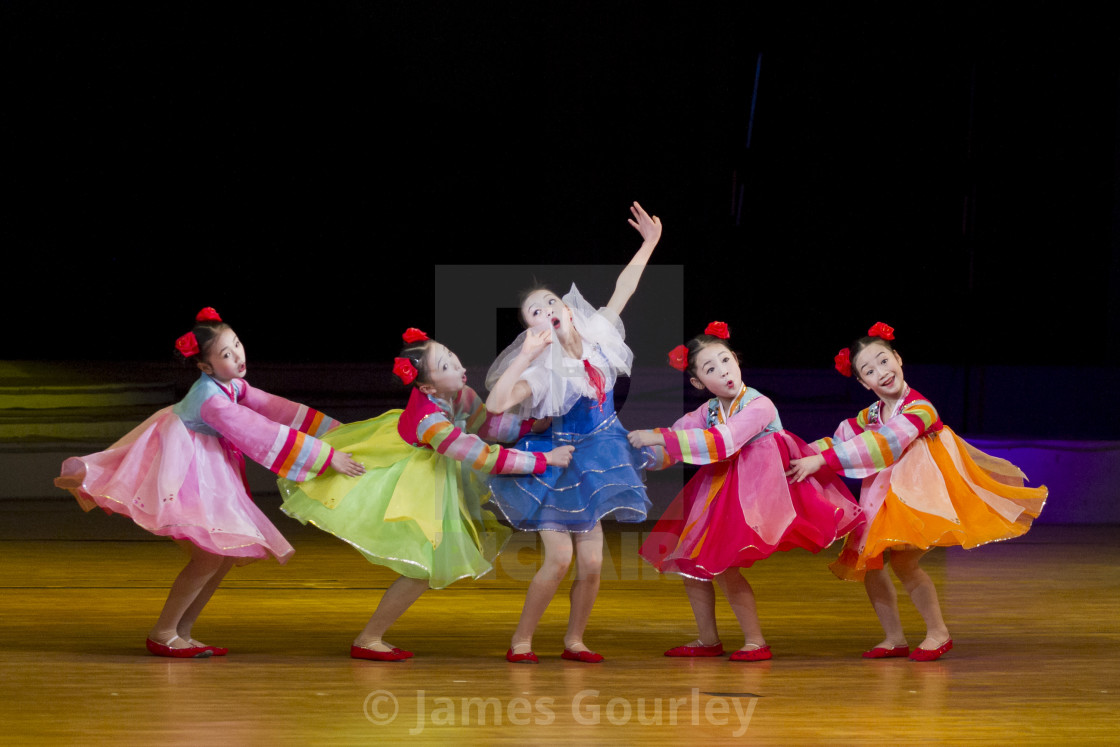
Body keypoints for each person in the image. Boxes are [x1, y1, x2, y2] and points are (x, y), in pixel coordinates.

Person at [54, 307, 363, 658]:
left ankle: (180, 631)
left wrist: (337, 433)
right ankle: (164, 631)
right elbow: (258, 431)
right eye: (226, 354)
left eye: (237, 345)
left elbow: (274, 407)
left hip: (207, 461)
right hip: (185, 465)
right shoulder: (212, 400)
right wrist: (325, 456)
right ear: (205, 367)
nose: (238, 355)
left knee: (220, 555)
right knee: (208, 555)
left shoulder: (231, 385)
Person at [278, 328, 573, 661]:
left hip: (435, 469)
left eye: (450, 355)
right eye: (445, 366)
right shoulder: (429, 421)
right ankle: (368, 638)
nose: (457, 365)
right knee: (423, 567)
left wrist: (526, 428)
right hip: (410, 480)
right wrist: (542, 460)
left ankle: (369, 637)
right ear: (428, 387)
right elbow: (481, 456)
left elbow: (484, 425)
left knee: (423, 569)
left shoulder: (458, 392)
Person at [787, 322, 1047, 661]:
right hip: (883, 493)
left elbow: (884, 443)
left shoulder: (920, 408)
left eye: (883, 361)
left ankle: (938, 633)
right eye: (869, 370)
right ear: (863, 383)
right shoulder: (872, 414)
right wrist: (799, 454)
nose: (880, 372)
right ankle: (894, 637)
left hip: (918, 490)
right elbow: (842, 439)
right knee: (872, 564)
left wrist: (822, 460)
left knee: (906, 564)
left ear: (898, 358)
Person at [484, 201, 661, 663]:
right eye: (533, 313)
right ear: (533, 329)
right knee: (559, 560)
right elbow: (497, 403)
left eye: (549, 302)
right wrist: (525, 356)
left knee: (593, 563)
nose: (545, 310)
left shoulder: (600, 334)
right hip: (557, 457)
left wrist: (648, 245)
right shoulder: (544, 371)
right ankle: (522, 641)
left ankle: (574, 639)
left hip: (601, 449)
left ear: (564, 306)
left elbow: (624, 289)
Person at [628, 323, 861, 661]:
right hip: (720, 491)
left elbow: (725, 441)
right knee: (689, 562)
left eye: (725, 360)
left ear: (736, 359)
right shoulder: (705, 412)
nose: (722, 371)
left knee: (723, 566)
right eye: (710, 368)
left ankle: (755, 641)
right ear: (697, 382)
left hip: (755, 491)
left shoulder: (759, 404)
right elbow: (670, 450)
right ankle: (708, 639)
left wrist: (658, 435)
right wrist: (631, 455)